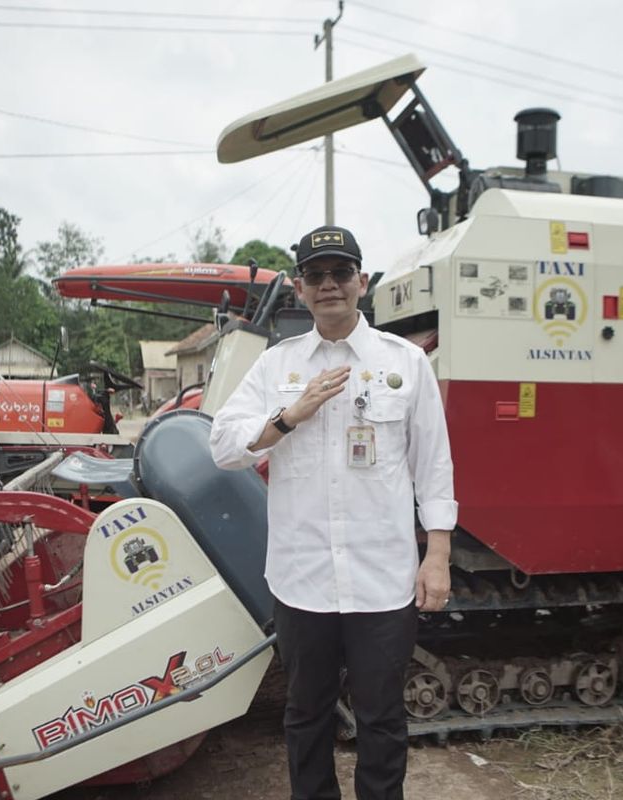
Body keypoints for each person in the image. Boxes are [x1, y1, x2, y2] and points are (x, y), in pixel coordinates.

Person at [210, 224, 456, 800]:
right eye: (316, 275)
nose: (329, 285)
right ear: (300, 289)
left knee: (381, 720)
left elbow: (434, 465)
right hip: (304, 582)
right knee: (306, 718)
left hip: (382, 580)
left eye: (340, 273)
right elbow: (222, 446)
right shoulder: (277, 366)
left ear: (361, 282)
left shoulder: (405, 363)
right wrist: (289, 417)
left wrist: (437, 555)